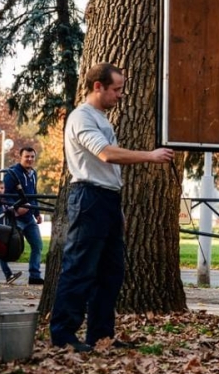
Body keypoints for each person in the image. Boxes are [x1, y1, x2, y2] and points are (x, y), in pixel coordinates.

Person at [50, 63, 174, 352]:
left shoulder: (101, 118)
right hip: (88, 197)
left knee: (111, 272)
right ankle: (63, 335)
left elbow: (108, 170)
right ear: (98, 87)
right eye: (116, 89)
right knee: (79, 268)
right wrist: (150, 155)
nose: (121, 95)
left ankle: (101, 336)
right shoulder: (81, 117)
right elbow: (105, 154)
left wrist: (116, 210)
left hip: (106, 200)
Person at [3, 147, 44, 285]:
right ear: (20, 157)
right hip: (16, 219)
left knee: (37, 245)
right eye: (27, 156)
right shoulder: (12, 173)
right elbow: (5, 195)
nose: (30, 159)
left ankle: (34, 276)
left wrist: (37, 213)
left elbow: (34, 193)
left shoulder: (33, 173)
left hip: (29, 219)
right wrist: (16, 208)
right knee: (9, 247)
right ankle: (6, 273)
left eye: (32, 156)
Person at [0, 180, 23, 284]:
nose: (0, 190)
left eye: (2, 188)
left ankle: (8, 275)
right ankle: (8, 275)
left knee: (2, 253)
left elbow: (10, 212)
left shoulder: (4, 202)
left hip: (2, 233)